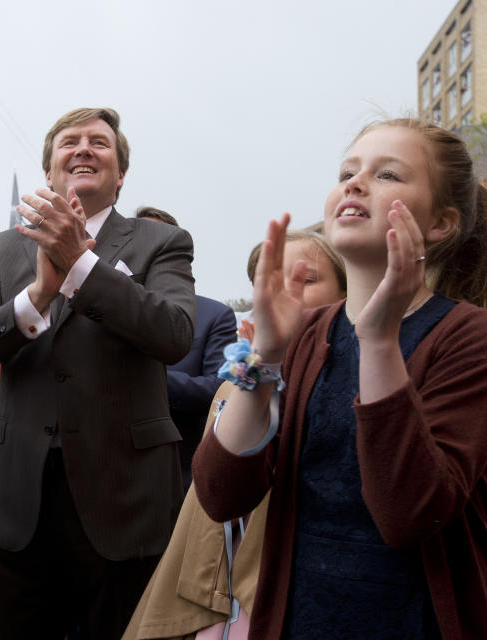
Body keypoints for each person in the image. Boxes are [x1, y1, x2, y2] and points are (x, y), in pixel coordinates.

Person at [194, 118, 487, 639]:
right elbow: (219, 495)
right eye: (347, 171)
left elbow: (411, 513)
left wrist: (377, 340)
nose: (355, 182)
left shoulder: (469, 336)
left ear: (440, 223)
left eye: (388, 174)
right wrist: (264, 358)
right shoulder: (305, 332)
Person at [0, 107, 195, 639]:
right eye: (69, 142)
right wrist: (39, 295)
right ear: (49, 172)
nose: (84, 149)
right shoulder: (5, 249)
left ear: (120, 174)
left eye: (100, 142)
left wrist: (83, 269)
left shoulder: (161, 242)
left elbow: (174, 334)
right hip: (17, 497)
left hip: (125, 494)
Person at [124, 229, 345, 640]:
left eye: (306, 279)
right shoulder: (234, 387)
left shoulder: (351, 385)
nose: (285, 291)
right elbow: (207, 507)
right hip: (220, 596)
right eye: (271, 280)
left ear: (345, 296)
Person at [136, 206, 237, 490]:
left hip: (177, 473)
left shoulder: (214, 315)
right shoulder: (97, 307)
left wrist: (150, 380)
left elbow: (222, 388)